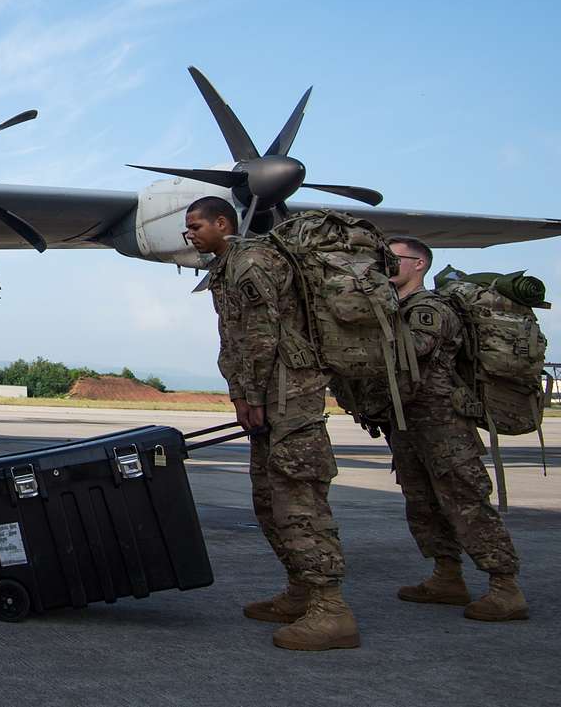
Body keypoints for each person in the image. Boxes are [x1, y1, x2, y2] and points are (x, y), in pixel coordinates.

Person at [183, 196, 358, 651]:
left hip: (289, 395)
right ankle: (301, 592)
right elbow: (233, 339)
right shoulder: (226, 267)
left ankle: (331, 609)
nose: (191, 236)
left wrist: (254, 395)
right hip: (266, 395)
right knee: (267, 498)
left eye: (196, 226)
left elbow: (263, 335)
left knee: (297, 499)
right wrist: (241, 394)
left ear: (223, 223)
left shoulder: (251, 262)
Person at [387, 236, 527, 621]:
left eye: (395, 257)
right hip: (406, 420)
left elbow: (411, 350)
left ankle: (505, 586)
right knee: (423, 503)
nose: (387, 263)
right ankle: (446, 577)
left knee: (465, 501)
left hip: (442, 423)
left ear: (419, 264)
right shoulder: (394, 308)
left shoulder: (429, 308)